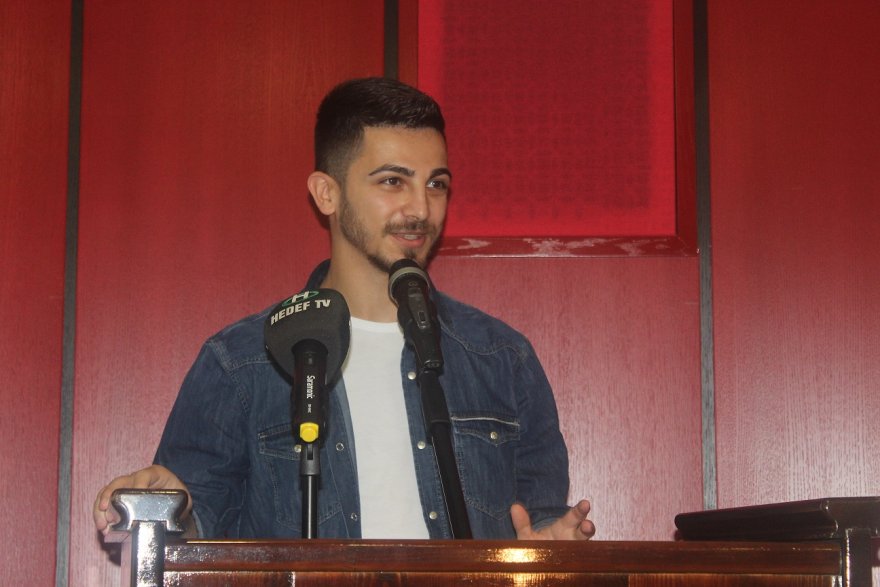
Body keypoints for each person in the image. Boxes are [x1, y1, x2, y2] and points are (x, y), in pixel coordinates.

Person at [93, 77, 595, 541]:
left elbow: (539, 523)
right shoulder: (241, 362)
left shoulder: (501, 358)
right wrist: (171, 509)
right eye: (393, 181)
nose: (421, 209)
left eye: (436, 184)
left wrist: (550, 552)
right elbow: (190, 537)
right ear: (326, 193)